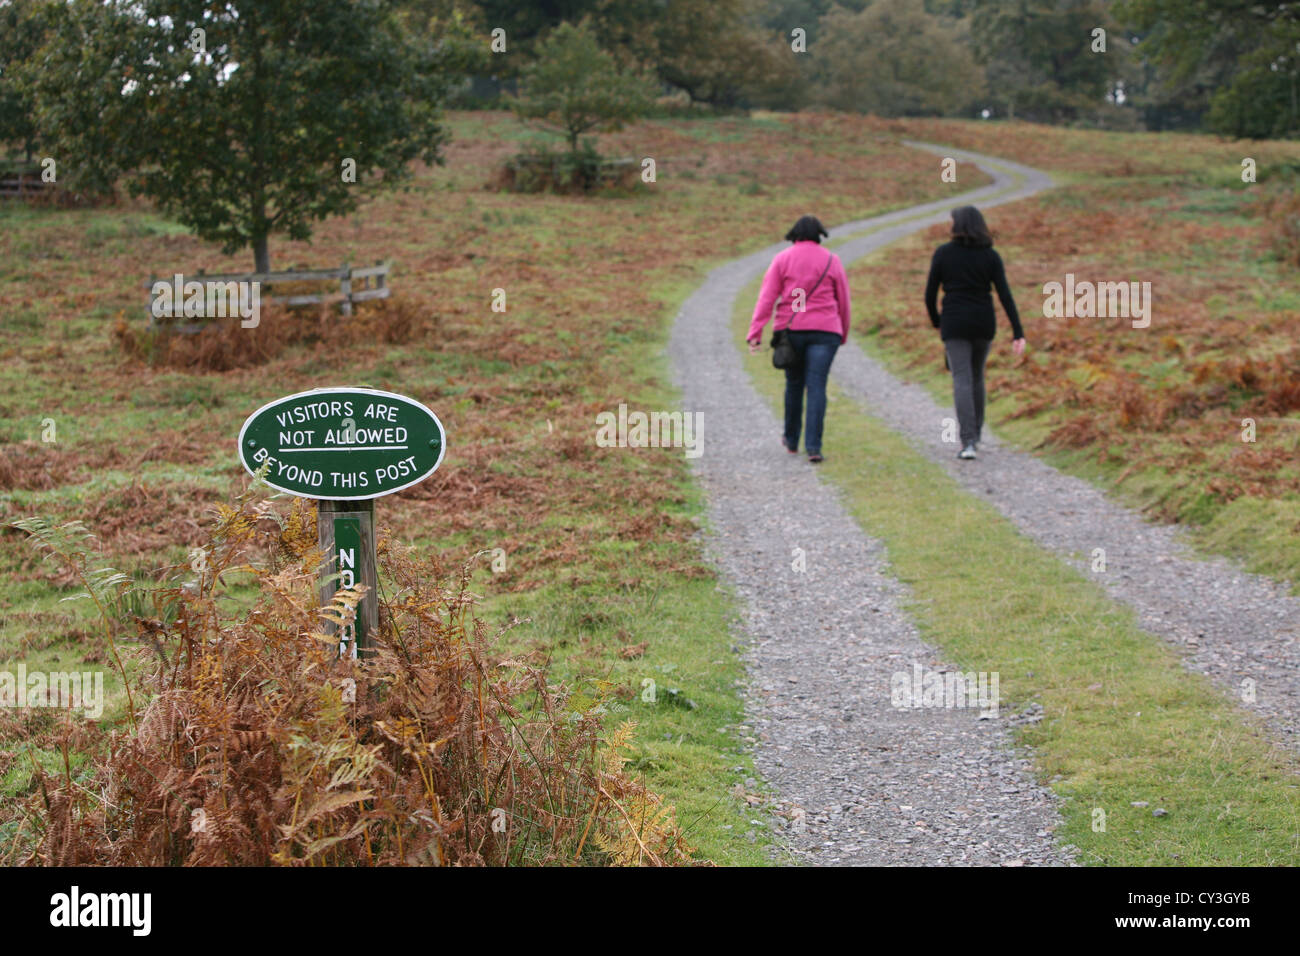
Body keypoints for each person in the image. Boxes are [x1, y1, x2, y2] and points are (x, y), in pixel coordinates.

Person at [747, 215, 852, 463]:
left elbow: (767, 297)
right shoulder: (832, 260)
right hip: (826, 331)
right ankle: (814, 447)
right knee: (817, 387)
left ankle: (792, 440)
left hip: (791, 330)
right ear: (819, 234)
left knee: (794, 384)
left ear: (794, 234)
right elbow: (843, 299)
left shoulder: (782, 259)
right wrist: (843, 332)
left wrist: (755, 332)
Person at [924, 205, 1026, 461]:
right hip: (983, 322)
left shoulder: (943, 253)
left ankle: (967, 440)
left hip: (955, 322)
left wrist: (938, 321)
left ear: (957, 225)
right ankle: (976, 435)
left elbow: (929, 294)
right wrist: (1017, 331)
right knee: (977, 377)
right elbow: (1005, 295)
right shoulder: (990, 256)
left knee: (961, 378)